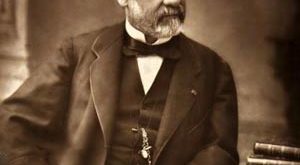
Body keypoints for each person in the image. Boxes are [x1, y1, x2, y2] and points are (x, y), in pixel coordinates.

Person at [0, 0, 239, 164]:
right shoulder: (77, 53)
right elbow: (11, 124)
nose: (174, 0)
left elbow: (220, 154)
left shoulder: (214, 70)